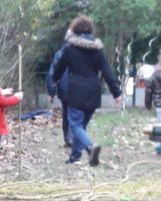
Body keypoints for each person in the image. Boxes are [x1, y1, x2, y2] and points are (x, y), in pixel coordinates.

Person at [50, 15, 122, 166]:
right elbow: (108, 72)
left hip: (76, 91)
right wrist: (116, 93)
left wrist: (55, 80)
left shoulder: (70, 49)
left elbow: (58, 69)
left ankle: (90, 147)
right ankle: (76, 156)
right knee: (80, 126)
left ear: (74, 30)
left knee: (75, 125)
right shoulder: (98, 50)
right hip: (94, 91)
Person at [46, 29, 73, 148]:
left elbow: (52, 73)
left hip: (64, 89)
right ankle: (72, 138)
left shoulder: (59, 54)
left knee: (66, 113)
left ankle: (68, 138)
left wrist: (51, 92)